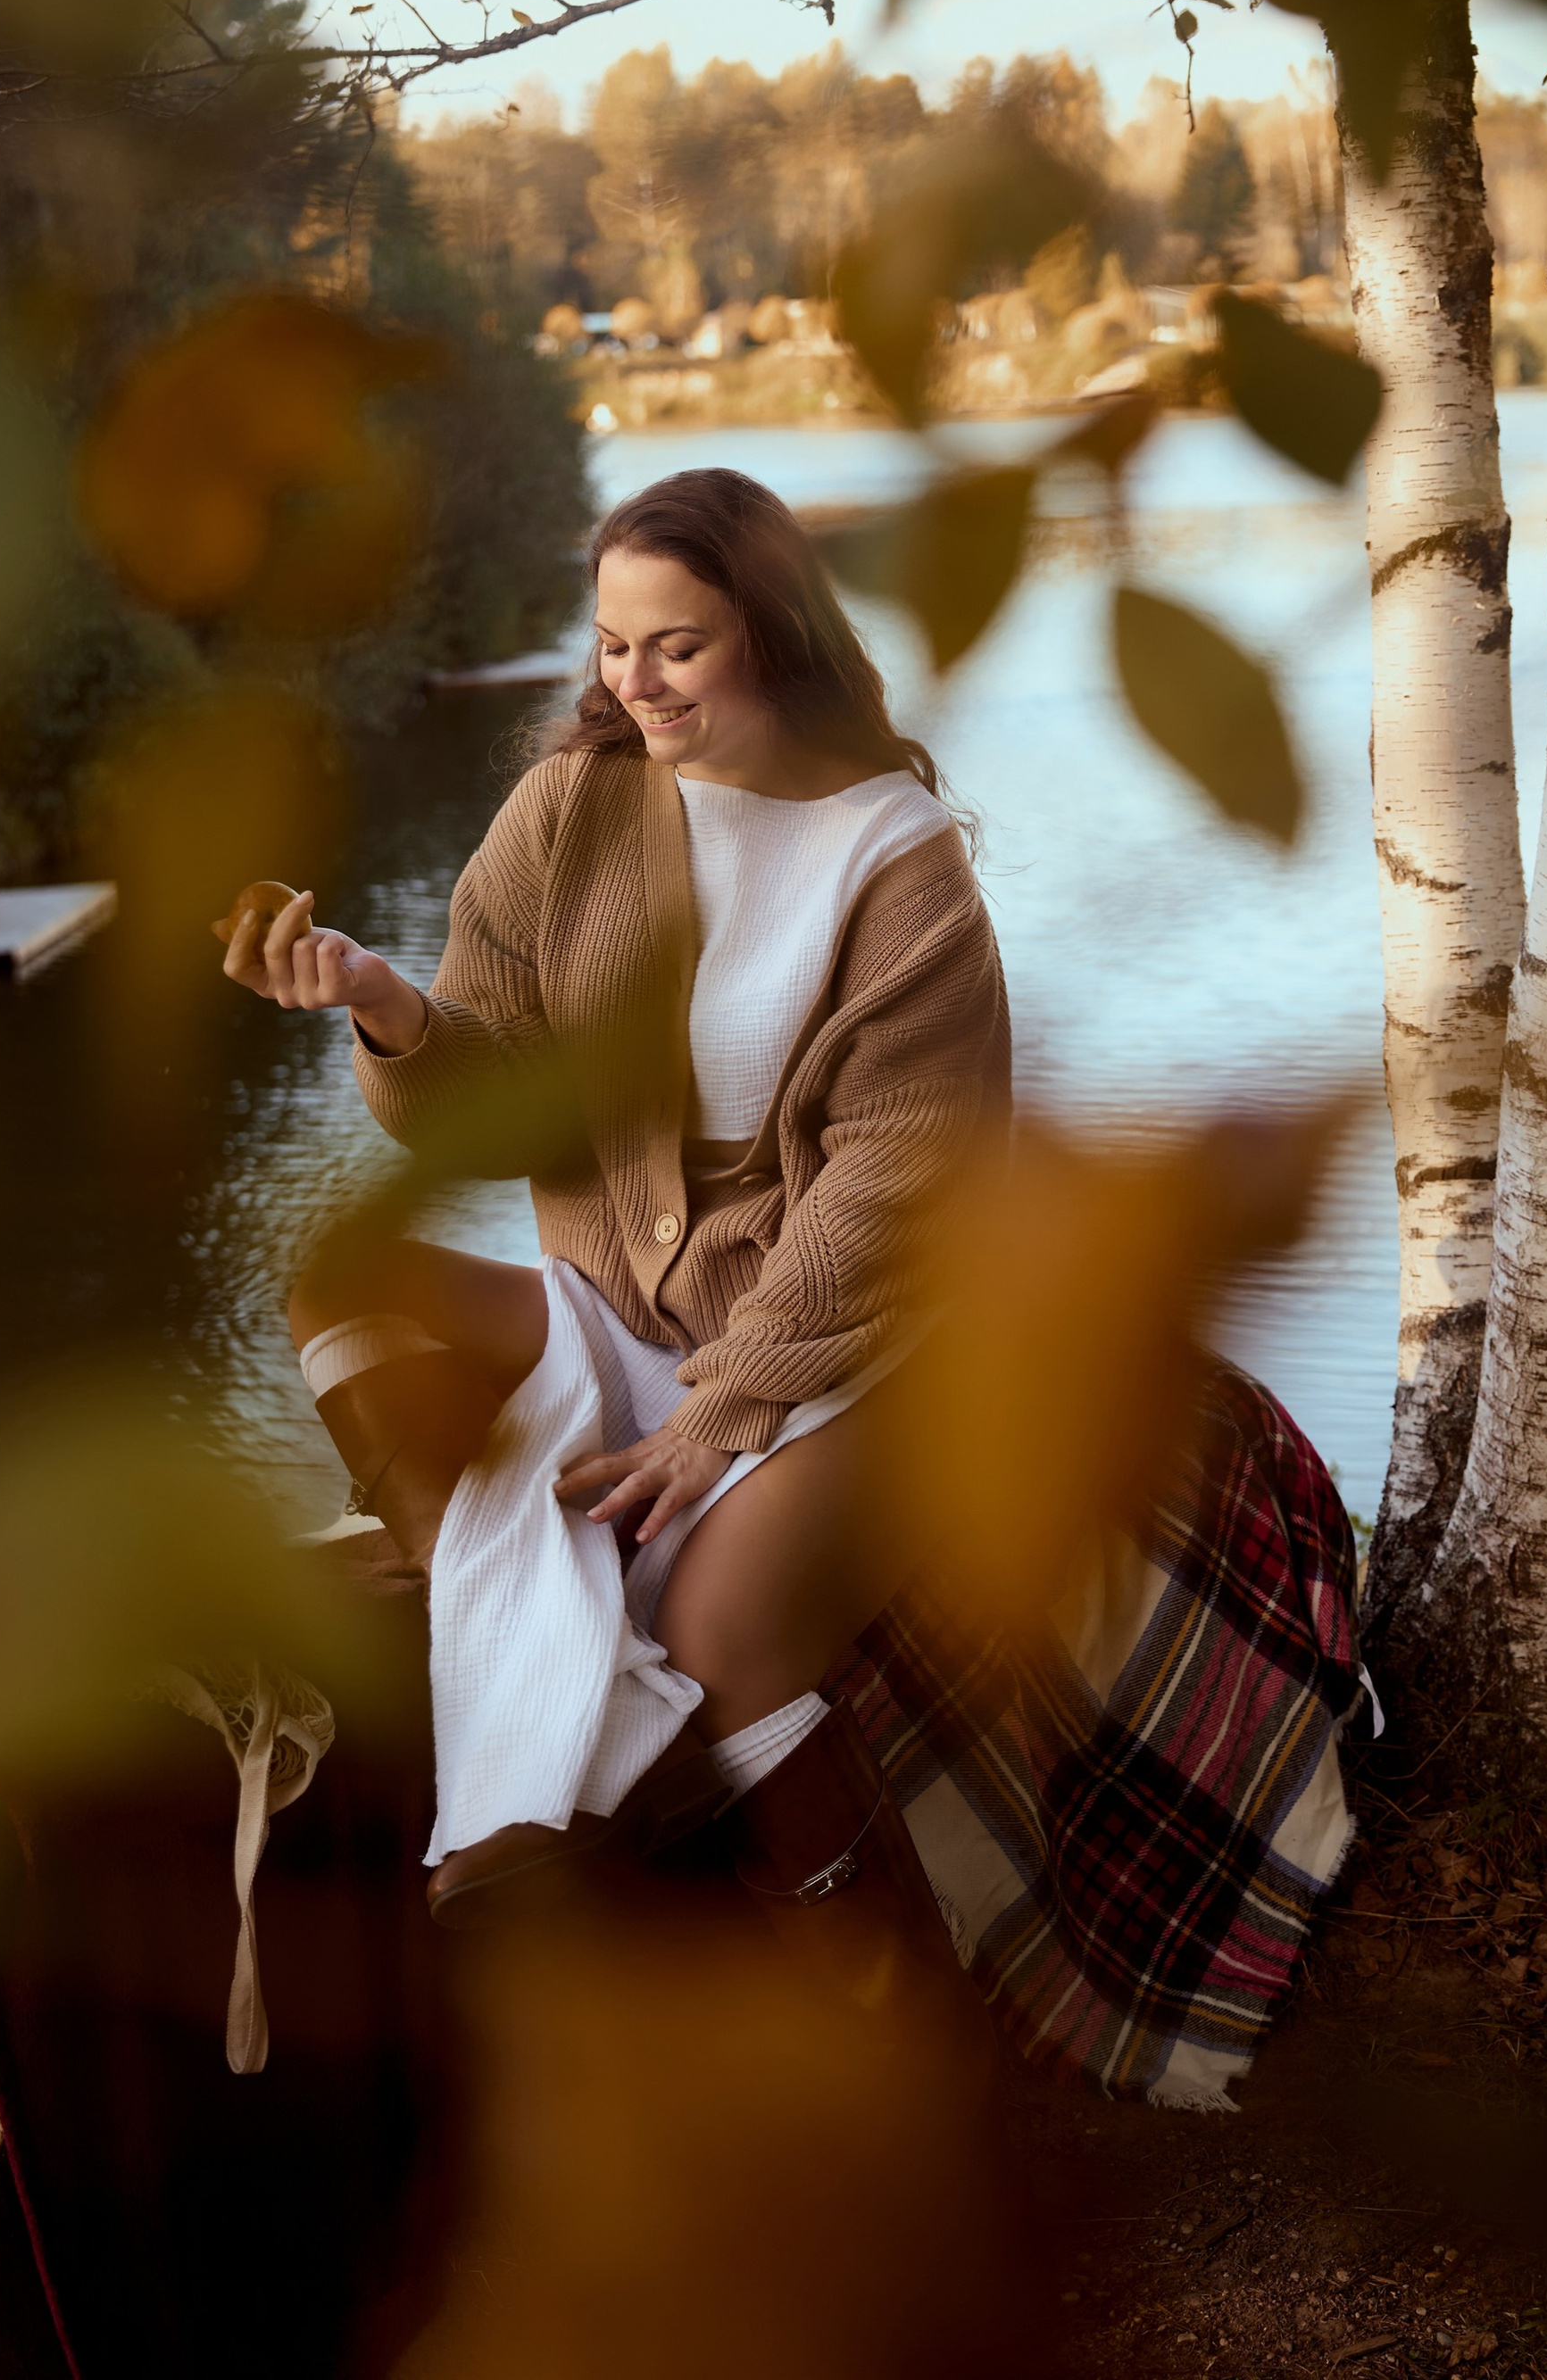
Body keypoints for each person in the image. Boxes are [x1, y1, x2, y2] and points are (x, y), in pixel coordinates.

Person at [220, 466, 1008, 2006]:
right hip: (622, 1310)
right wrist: (385, 1003)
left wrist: (719, 1418)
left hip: (846, 1337)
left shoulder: (896, 861)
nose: (631, 683)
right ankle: (499, 1595)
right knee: (344, 1272)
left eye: (677, 647)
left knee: (720, 1622)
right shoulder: (569, 811)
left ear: (773, 634)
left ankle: (885, 2013)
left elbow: (893, 1184)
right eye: (610, 644)